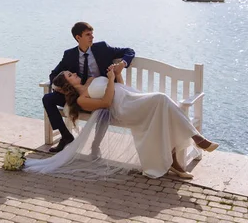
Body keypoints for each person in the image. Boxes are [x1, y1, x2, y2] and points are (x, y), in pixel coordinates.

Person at [27, 61, 219, 179]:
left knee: (165, 110)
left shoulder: (92, 80)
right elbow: (106, 101)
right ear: (67, 85)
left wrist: (116, 74)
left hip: (130, 97)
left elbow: (121, 86)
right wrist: (110, 79)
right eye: (70, 75)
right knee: (162, 99)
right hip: (123, 109)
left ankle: (177, 159)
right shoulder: (81, 99)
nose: (75, 74)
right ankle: (196, 139)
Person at [45, 22, 135, 152]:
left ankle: (95, 145)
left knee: (103, 111)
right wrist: (62, 88)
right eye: (88, 35)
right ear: (78, 37)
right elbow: (54, 75)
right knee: (48, 99)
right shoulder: (69, 55)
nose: (92, 37)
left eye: (92, 34)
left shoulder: (102, 48)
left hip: (101, 95)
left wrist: (123, 63)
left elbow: (129, 51)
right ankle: (66, 136)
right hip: (78, 96)